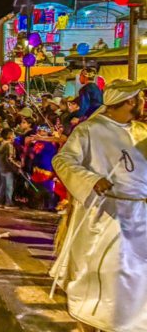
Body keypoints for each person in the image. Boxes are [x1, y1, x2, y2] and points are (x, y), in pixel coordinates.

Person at [51, 79, 147, 332]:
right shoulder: (90, 130)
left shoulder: (142, 132)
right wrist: (91, 180)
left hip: (140, 217)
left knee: (137, 281)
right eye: (141, 98)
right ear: (130, 101)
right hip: (105, 216)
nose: (144, 103)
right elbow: (63, 160)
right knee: (105, 277)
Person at [0, 128, 20, 209]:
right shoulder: (9, 146)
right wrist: (17, 166)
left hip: (1, 167)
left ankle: (0, 202)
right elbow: (10, 158)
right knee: (9, 186)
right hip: (8, 168)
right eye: (13, 135)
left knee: (3, 185)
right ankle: (8, 202)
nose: (14, 136)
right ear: (10, 136)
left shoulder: (1, 144)